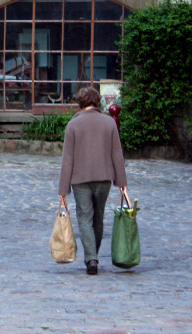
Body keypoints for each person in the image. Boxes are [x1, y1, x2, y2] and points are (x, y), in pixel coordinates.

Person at [58, 86, 128, 275]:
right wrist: (122, 182)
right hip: (104, 177)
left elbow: (68, 159)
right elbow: (117, 155)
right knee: (98, 219)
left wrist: (63, 189)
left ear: (79, 103)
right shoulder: (109, 123)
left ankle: (91, 258)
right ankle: (93, 256)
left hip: (80, 179)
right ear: (97, 102)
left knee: (84, 218)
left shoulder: (73, 125)